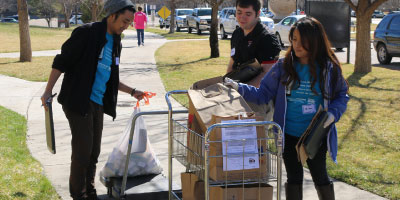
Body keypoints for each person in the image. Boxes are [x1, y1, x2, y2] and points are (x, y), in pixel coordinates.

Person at [225, 17, 349, 200]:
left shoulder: (329, 67)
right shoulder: (283, 66)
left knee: (320, 176)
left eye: (302, 40)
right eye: (294, 39)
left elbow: (342, 95)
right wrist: (238, 87)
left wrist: (333, 114)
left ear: (315, 41)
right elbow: (262, 94)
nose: (297, 45)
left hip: (315, 135)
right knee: (294, 179)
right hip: (288, 135)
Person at [40, 0, 143, 199]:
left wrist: (133, 91)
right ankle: (79, 194)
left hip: (97, 102)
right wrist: (47, 91)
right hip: (78, 100)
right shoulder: (86, 33)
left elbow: (111, 76)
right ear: (112, 15)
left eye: (129, 23)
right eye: (124, 21)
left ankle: (90, 191)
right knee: (82, 151)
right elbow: (61, 62)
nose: (126, 26)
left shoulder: (115, 41)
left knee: (94, 152)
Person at [227, 0, 281, 120]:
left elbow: (267, 74)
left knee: (257, 138)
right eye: (239, 12)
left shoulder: (267, 38)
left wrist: (241, 90)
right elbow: (232, 62)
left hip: (258, 101)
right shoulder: (237, 34)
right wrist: (226, 84)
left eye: (248, 14)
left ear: (258, 14)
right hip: (237, 96)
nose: (242, 17)